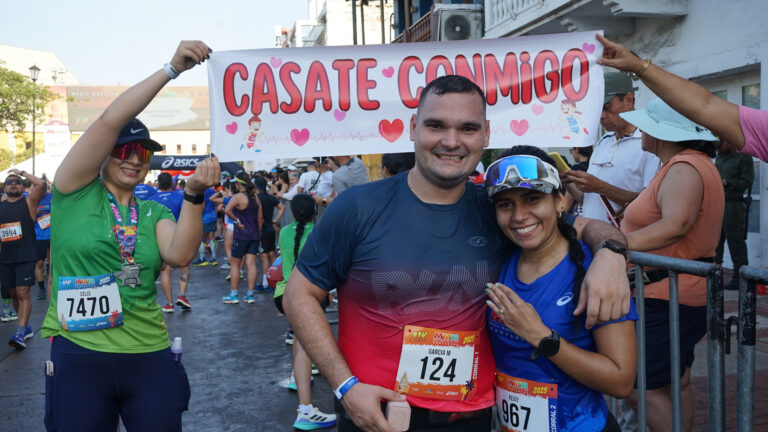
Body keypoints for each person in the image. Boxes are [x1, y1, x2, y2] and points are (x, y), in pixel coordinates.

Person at [284, 75, 631, 432]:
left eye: (467, 128)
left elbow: (579, 225)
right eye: (436, 126)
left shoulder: (498, 210)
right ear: (413, 127)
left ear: (486, 135)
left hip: (469, 419)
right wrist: (345, 387)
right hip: (375, 415)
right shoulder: (357, 207)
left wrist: (610, 253)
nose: (451, 141)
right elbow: (300, 294)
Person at [40, 40, 219, 431]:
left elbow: (179, 254)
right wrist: (171, 70)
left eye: (144, 151)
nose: (135, 158)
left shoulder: (152, 210)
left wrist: (193, 194)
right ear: (105, 153)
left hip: (148, 355)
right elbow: (107, 120)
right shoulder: (72, 191)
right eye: (124, 149)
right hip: (79, 353)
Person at [484, 148, 636, 431]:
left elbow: (621, 380)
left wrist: (541, 337)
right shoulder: (501, 259)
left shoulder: (594, 272)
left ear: (558, 201)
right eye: (505, 204)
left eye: (532, 198)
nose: (519, 216)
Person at [618, 98, 724, 432]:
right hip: (673, 293)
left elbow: (676, 224)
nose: (641, 131)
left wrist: (617, 245)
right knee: (674, 382)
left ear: (662, 132)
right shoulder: (687, 164)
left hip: (666, 296)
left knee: (635, 387)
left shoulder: (685, 166)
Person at [596, 33, 768, 162]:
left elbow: (705, 106)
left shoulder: (686, 168)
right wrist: (636, 65)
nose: (642, 130)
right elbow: (704, 106)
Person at [562, 72, 660, 226]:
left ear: (629, 99)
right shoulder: (604, 141)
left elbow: (649, 205)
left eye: (607, 107)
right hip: (592, 238)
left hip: (626, 241)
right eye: (597, 109)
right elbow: (588, 200)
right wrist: (567, 181)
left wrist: (601, 187)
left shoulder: (650, 144)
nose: (601, 116)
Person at [273, 194, 337, 430]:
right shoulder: (320, 232)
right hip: (308, 297)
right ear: (314, 211)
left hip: (282, 294)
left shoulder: (285, 232)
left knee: (300, 344)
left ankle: (297, 379)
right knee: (305, 349)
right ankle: (306, 411)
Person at [1, 169, 45, 348]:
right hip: (5, 258)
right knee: (12, 292)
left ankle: (20, 332)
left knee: (22, 292)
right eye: (9, 181)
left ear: (22, 186)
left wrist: (22, 172)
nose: (13, 183)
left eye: (16, 181)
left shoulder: (28, 202)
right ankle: (24, 326)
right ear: (4, 187)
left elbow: (41, 184)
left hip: (25, 255)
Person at [149, 172, 192, 312]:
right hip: (179, 235)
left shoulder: (151, 200)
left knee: (165, 271)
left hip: (161, 237)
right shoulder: (180, 197)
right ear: (172, 184)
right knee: (184, 265)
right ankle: (182, 295)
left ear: (158, 184)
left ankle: (169, 303)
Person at [715, 142, 754, 290]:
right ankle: (715, 274)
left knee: (736, 242)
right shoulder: (720, 156)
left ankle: (740, 277)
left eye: (720, 145)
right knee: (716, 243)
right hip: (719, 204)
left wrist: (726, 182)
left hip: (733, 206)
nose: (718, 148)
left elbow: (747, 181)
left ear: (729, 141)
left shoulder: (744, 157)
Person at [222, 171, 263, 304]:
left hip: (242, 235)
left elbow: (226, 210)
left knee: (235, 264)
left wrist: (237, 221)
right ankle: (250, 295)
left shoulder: (238, 197)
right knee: (251, 264)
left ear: (239, 184)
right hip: (254, 235)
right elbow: (260, 219)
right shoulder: (256, 197)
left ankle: (233, 295)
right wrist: (258, 234)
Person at [254, 176, 284, 290]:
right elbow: (282, 207)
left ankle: (266, 284)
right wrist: (276, 220)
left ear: (256, 186)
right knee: (272, 254)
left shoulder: (256, 199)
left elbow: (259, 218)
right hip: (270, 228)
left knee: (264, 256)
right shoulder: (270, 197)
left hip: (261, 229)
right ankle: (274, 280)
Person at [34, 179, 53, 300]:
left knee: (54, 263)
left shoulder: (52, 197)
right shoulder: (32, 199)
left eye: (43, 187)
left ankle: (55, 286)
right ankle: (41, 289)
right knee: (39, 263)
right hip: (38, 235)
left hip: (53, 234)